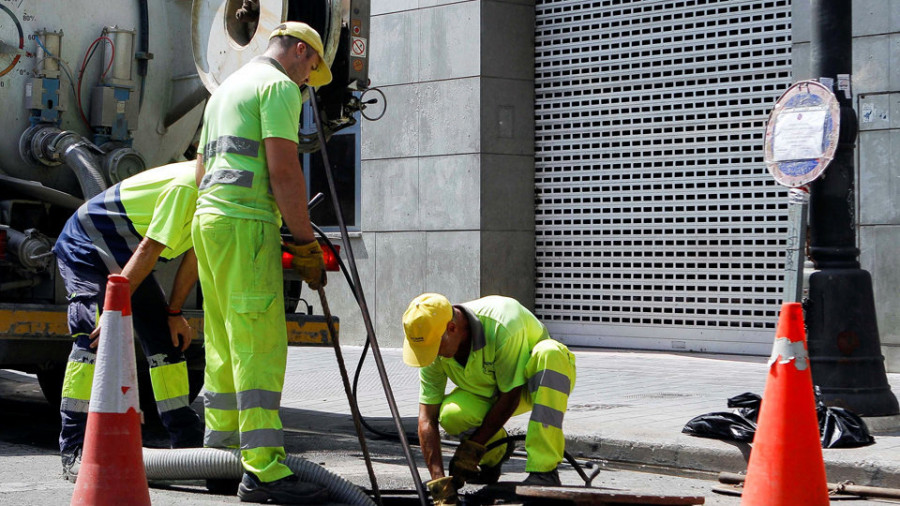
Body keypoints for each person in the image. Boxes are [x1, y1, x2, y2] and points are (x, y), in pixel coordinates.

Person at [191, 21, 331, 504]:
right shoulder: (277, 87)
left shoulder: (225, 90)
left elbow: (200, 172)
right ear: (298, 51)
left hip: (208, 222)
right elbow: (284, 170)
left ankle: (222, 457)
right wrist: (305, 243)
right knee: (258, 344)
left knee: (223, 343)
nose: (309, 77)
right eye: (312, 66)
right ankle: (264, 468)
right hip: (246, 222)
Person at [53, 161, 204, 481]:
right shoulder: (188, 188)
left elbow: (194, 259)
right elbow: (150, 249)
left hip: (127, 253)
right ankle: (75, 447)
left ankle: (188, 444)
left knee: (166, 340)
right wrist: (112, 312)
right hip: (87, 243)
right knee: (91, 335)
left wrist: (175, 313)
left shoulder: (223, 197)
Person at [402, 293, 577, 504]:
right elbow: (427, 418)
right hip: (487, 392)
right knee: (451, 414)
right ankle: (495, 455)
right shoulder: (433, 340)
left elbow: (510, 396)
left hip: (533, 385)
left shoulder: (502, 322)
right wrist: (440, 483)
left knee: (550, 353)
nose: (431, 355)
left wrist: (472, 448)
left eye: (434, 348)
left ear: (452, 328)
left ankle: (544, 471)